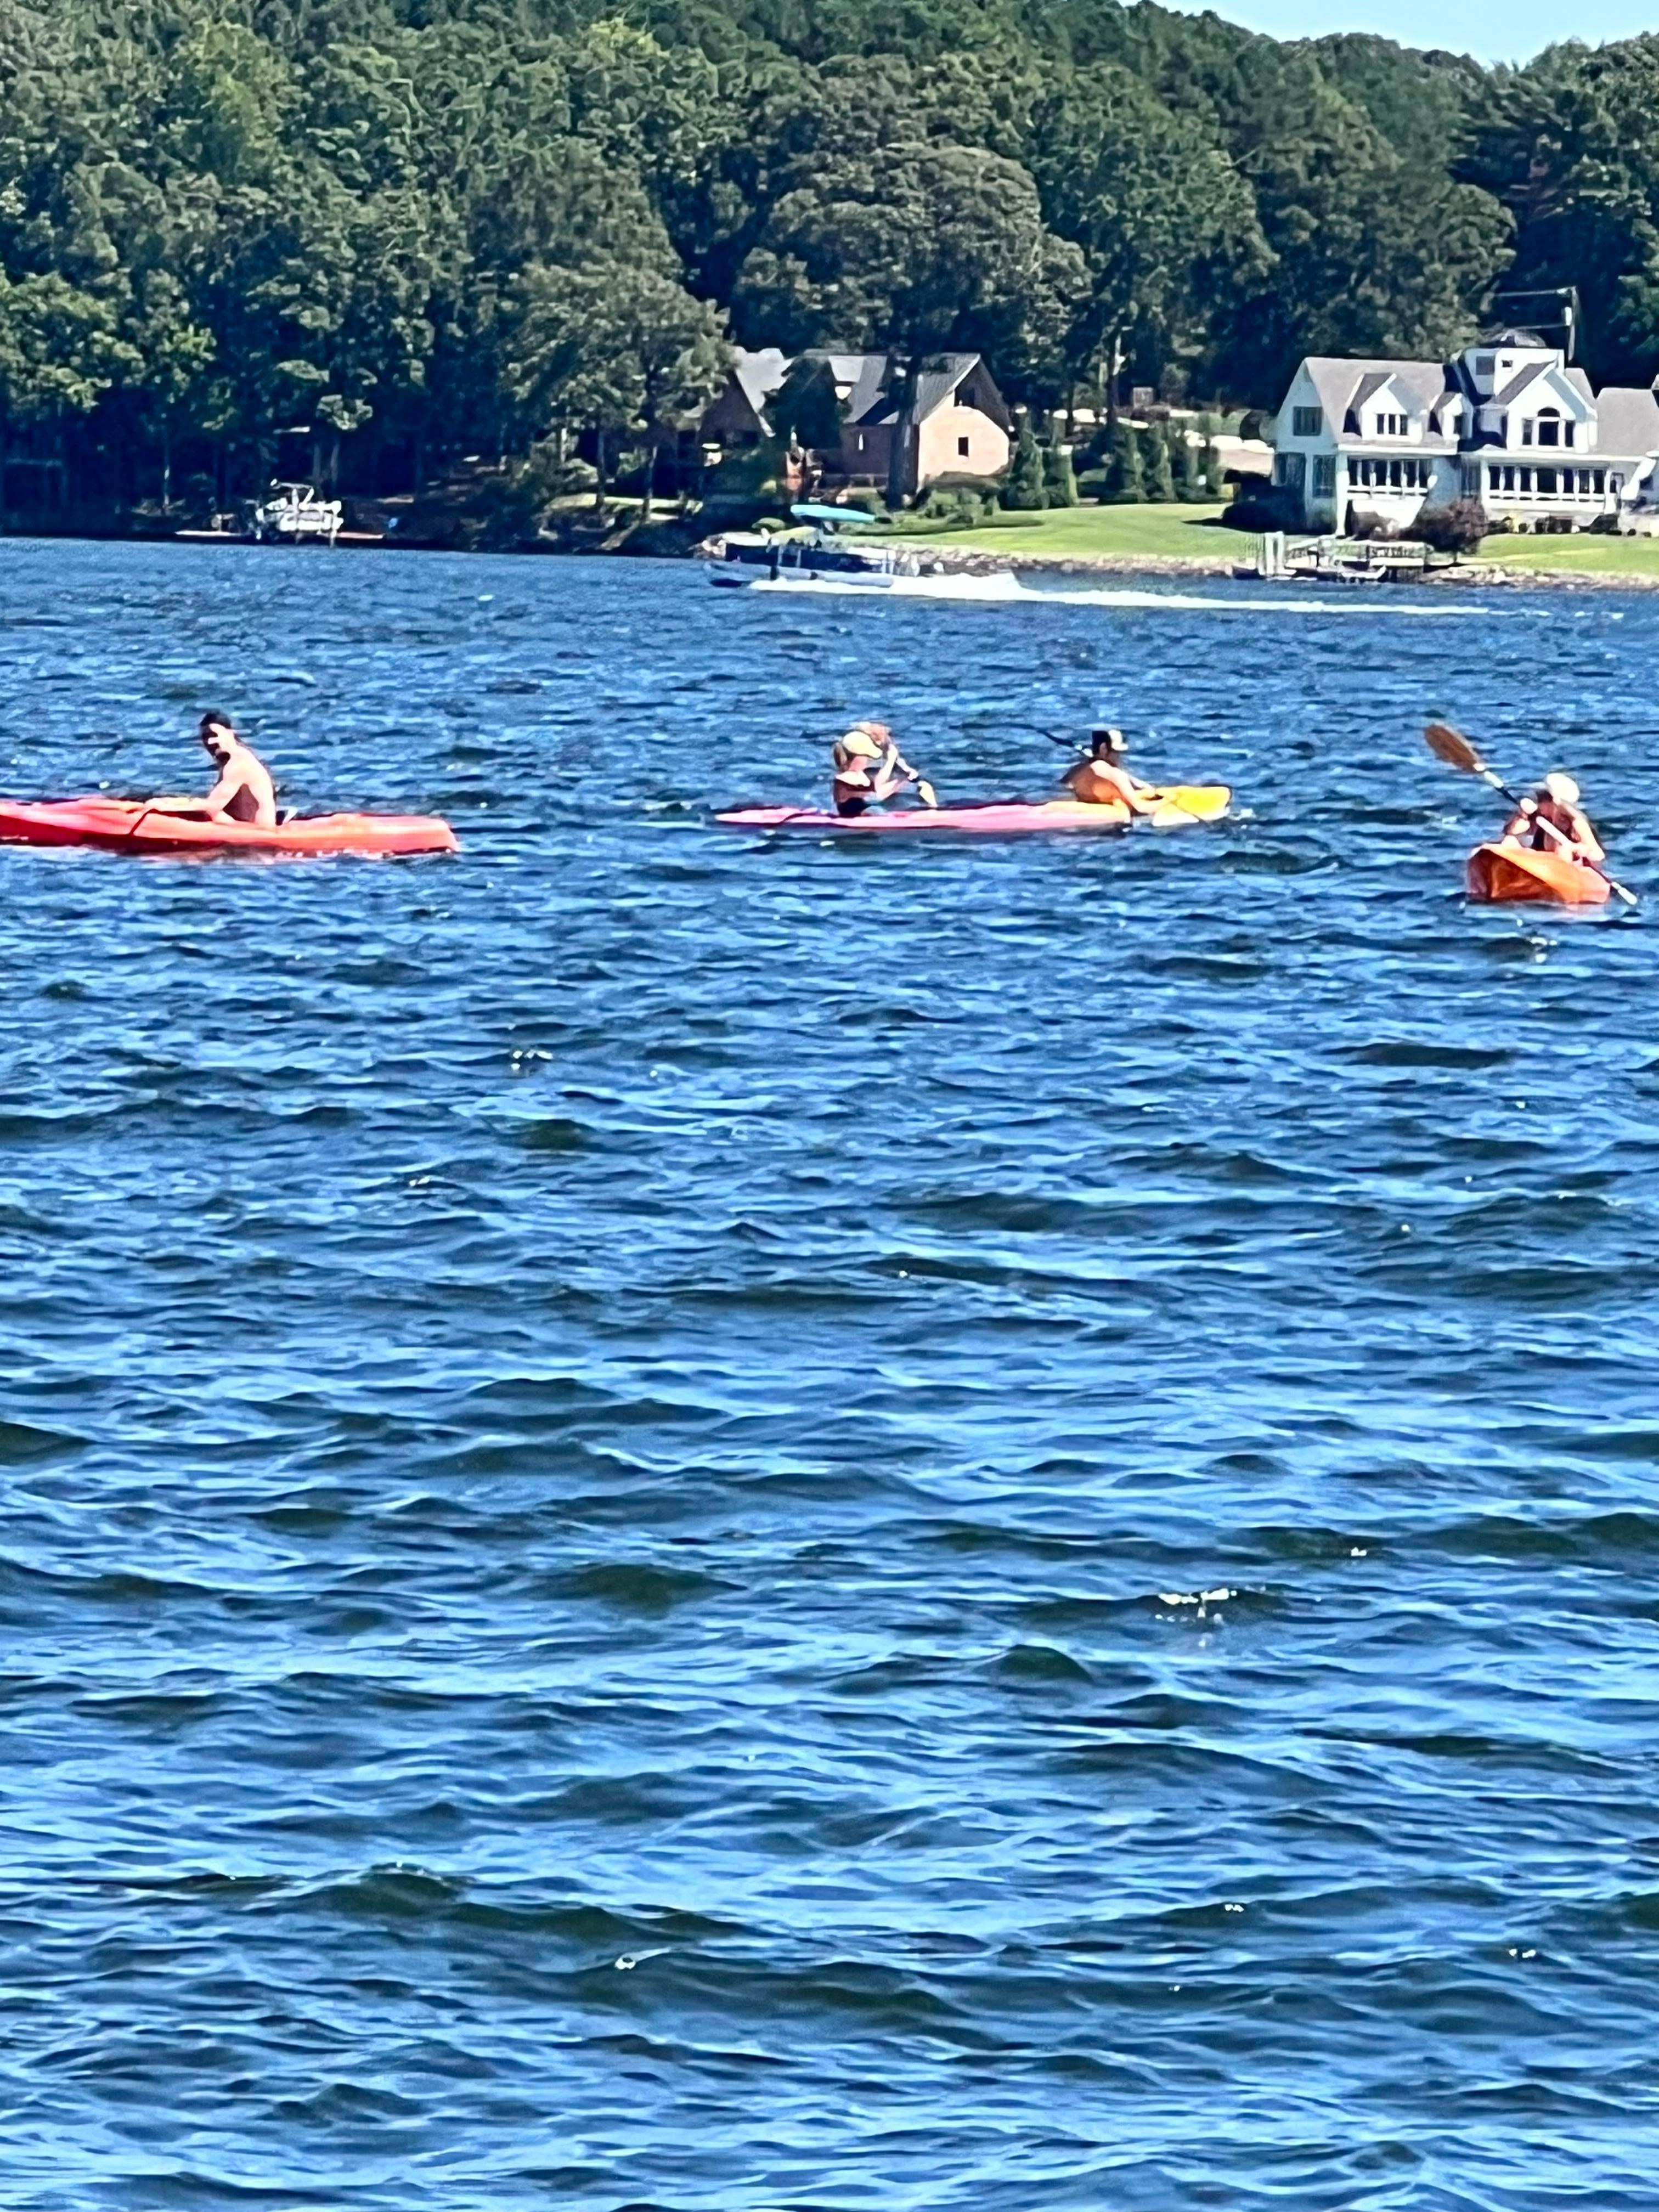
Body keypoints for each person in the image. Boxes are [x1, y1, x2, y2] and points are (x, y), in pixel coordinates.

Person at [155, 712, 279, 828]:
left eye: (214, 735)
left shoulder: (239, 763)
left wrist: (167, 805)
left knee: (214, 815)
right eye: (205, 737)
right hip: (244, 826)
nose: (209, 742)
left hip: (256, 833)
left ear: (231, 733)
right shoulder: (235, 758)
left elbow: (212, 806)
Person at [1502, 771, 1604, 864]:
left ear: (1555, 802)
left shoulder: (1577, 822)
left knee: (1564, 852)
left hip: (1567, 868)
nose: (1538, 803)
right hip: (1542, 864)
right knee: (1509, 841)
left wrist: (1580, 849)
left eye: (1541, 799)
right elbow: (1512, 832)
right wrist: (1522, 815)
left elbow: (1598, 855)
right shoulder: (1538, 817)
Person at [1062, 726, 1161, 815]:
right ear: (1104, 749)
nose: (1120, 757)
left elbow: (1064, 787)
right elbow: (1141, 807)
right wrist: (1167, 801)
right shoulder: (1116, 775)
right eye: (1117, 752)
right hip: (1109, 822)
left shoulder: (1076, 771)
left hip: (1081, 811)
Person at [831, 721, 919, 817]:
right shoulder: (846, 778)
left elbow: (878, 788)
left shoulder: (861, 776)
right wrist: (890, 762)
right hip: (856, 815)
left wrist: (903, 779)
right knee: (876, 810)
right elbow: (875, 796)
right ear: (857, 757)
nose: (868, 760)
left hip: (869, 814)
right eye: (866, 757)